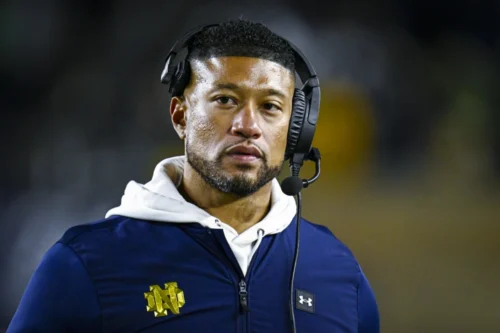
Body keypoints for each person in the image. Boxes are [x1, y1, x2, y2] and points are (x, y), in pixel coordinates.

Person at [7, 19, 379, 333]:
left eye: (270, 106)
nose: (247, 125)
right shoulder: (84, 264)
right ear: (180, 116)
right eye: (225, 100)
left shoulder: (339, 272)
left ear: (296, 129)